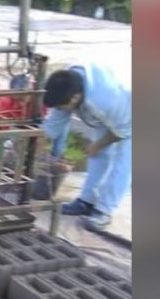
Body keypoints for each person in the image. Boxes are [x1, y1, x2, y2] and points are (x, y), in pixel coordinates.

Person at [41, 62, 132, 231]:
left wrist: (99, 144)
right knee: (97, 157)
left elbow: (124, 130)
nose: (61, 109)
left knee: (123, 164)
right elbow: (52, 126)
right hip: (110, 113)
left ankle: (104, 211)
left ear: (75, 97)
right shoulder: (67, 85)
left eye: (62, 106)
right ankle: (86, 201)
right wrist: (27, 144)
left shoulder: (105, 100)